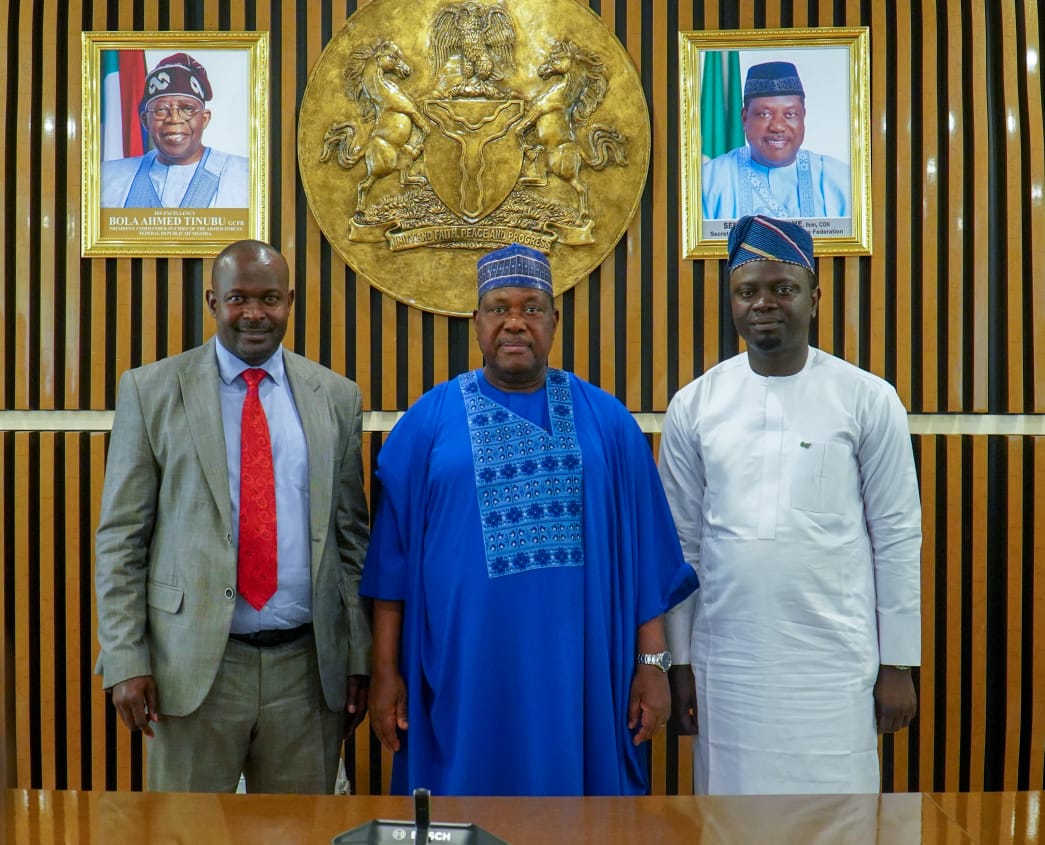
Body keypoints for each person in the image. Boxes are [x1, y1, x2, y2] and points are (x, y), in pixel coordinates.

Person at [359, 242, 699, 796]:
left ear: (554, 321)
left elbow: (646, 560)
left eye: (532, 308)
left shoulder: (607, 422)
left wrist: (653, 665)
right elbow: (390, 571)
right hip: (461, 673)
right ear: (476, 322)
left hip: (581, 675)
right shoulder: (428, 422)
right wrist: (385, 672)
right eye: (499, 308)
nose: (515, 323)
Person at [94, 239, 371, 793]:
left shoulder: (335, 397)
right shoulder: (150, 390)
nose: (254, 314)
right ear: (212, 300)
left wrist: (358, 656)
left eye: (269, 298)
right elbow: (121, 537)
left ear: (290, 302)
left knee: (299, 835)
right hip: (192, 668)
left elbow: (350, 541)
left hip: (306, 671)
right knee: (183, 835)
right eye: (238, 299)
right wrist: (125, 657)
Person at [658, 215, 921, 794]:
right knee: (731, 821)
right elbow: (681, 548)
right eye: (747, 291)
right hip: (729, 666)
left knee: (839, 820)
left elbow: (897, 536)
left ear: (814, 298)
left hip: (836, 665)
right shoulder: (695, 405)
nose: (764, 304)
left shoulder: (868, 399)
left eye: (783, 288)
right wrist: (678, 665)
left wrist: (899, 663)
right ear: (732, 299)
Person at [702, 61, 850, 220]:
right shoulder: (709, 180)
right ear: (745, 118)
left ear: (803, 117)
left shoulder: (840, 180)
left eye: (790, 114)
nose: (778, 126)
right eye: (764, 114)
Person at [101, 52, 249, 208]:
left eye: (187, 109)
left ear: (204, 119)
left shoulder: (246, 177)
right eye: (161, 110)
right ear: (145, 121)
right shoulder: (108, 178)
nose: (174, 118)